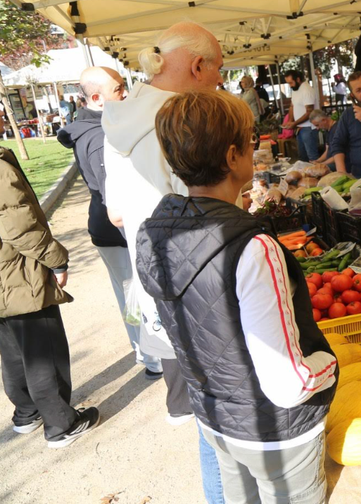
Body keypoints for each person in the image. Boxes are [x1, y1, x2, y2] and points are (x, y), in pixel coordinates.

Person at [138, 89, 337, 504]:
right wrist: (331, 365)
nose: (255, 148)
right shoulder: (253, 248)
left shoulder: (152, 232)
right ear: (232, 157)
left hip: (215, 421)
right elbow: (287, 383)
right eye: (250, 142)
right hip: (274, 433)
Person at [101, 21, 226, 504]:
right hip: (196, 287)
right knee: (217, 415)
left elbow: (114, 212)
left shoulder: (121, 117)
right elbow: (203, 214)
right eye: (217, 71)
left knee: (205, 408)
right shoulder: (180, 120)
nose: (218, 81)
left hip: (158, 279)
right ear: (198, 66)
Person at [58, 67, 165, 379]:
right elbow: (112, 201)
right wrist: (134, 236)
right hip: (116, 231)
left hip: (112, 228)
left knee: (130, 291)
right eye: (119, 89)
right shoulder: (96, 138)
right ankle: (151, 356)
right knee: (134, 293)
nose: (125, 94)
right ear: (96, 98)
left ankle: (148, 352)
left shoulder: (99, 126)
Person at [0, 146, 101, 448]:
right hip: (18, 274)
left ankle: (27, 412)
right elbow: (20, 227)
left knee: (12, 349)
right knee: (43, 351)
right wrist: (56, 259)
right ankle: (61, 424)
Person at [283, 70, 320, 162]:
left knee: (312, 157)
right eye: (288, 83)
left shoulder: (307, 90)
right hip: (300, 128)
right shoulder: (295, 89)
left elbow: (309, 112)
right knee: (302, 158)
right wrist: (290, 121)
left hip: (308, 128)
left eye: (291, 82)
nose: (290, 85)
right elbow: (292, 106)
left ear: (298, 79)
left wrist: (294, 123)